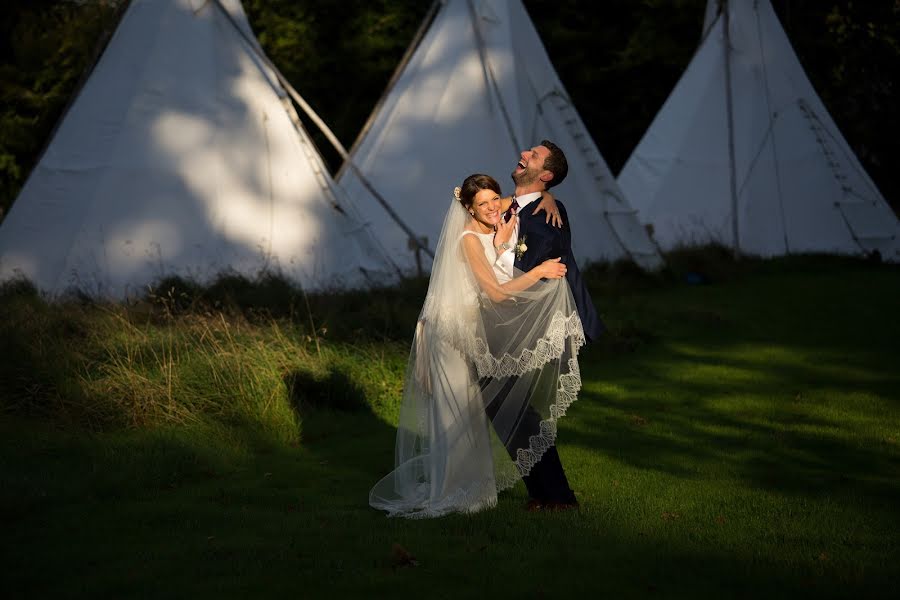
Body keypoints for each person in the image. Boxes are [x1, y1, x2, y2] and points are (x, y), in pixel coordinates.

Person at [369, 174, 586, 518]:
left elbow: (520, 197)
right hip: (453, 332)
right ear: (467, 208)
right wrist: (540, 270)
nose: (490, 208)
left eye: (493, 201)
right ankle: (456, 489)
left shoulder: (495, 217)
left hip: (479, 328)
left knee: (481, 408)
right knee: (460, 410)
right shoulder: (468, 239)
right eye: (482, 204)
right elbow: (497, 292)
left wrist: (545, 195)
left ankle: (480, 490)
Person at [491, 140, 603, 511]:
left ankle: (556, 496)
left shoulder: (548, 217)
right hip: (490, 316)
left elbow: (547, 257)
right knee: (503, 407)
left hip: (525, 320)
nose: (523, 154)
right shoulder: (501, 207)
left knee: (515, 406)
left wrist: (545, 199)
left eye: (533, 156)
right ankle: (543, 493)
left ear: (546, 175)